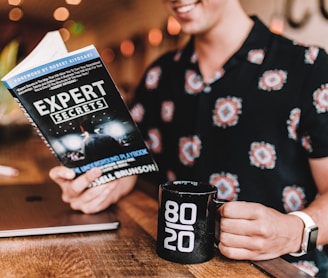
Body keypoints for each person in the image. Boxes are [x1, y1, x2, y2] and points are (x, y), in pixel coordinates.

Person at [49, 0, 328, 275]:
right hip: (172, 267)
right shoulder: (158, 75)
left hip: (281, 269)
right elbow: (139, 164)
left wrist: (295, 230)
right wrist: (106, 183)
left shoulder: (309, 67)